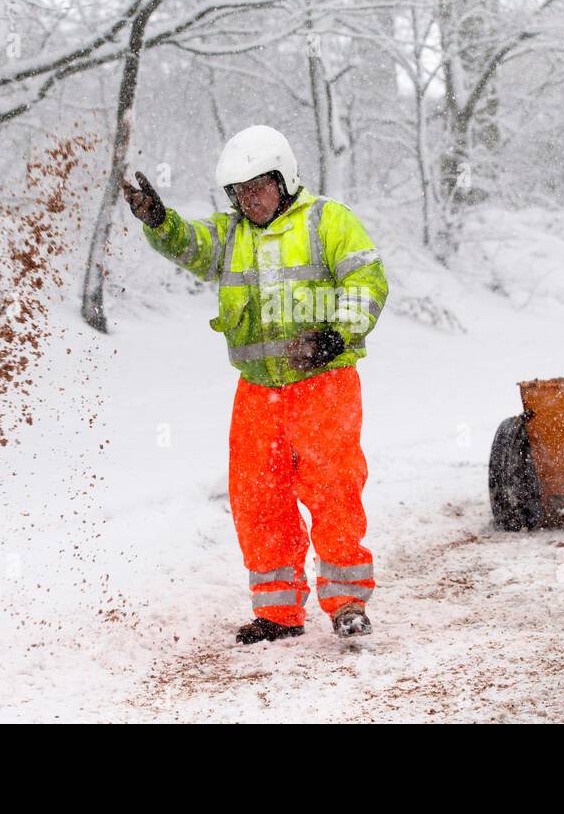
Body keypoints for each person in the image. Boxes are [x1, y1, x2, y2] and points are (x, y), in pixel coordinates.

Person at [122, 125, 389, 643]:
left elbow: (367, 280)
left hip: (324, 385)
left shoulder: (327, 221)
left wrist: (337, 333)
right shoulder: (231, 235)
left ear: (284, 179)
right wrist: (159, 221)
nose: (249, 199)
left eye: (258, 187)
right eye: (239, 192)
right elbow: (191, 245)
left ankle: (348, 604)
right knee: (257, 498)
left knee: (334, 492)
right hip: (257, 392)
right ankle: (278, 613)